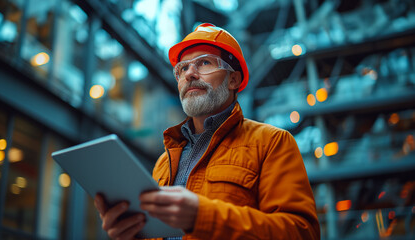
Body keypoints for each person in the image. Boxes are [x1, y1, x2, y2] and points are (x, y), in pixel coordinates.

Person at [94, 23, 320, 240]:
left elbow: (302, 233)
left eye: (204, 63)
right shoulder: (164, 162)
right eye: (182, 68)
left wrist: (202, 216)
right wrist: (130, 234)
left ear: (233, 79)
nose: (190, 74)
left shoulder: (272, 142)